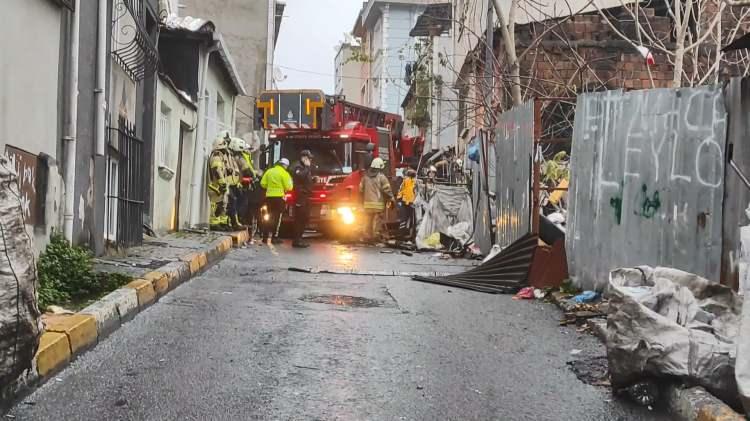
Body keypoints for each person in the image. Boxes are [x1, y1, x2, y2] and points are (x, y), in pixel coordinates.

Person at [360, 157, 394, 242]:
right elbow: (387, 190)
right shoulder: (382, 177)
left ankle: (367, 237)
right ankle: (376, 236)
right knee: (378, 221)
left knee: (367, 221)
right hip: (378, 205)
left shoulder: (365, 177)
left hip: (367, 205)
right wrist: (392, 198)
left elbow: (360, 190)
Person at [260, 158, 293, 244]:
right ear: (285, 165)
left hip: (269, 197)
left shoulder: (269, 171)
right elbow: (289, 187)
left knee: (268, 217)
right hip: (279, 198)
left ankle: (265, 237)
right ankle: (274, 237)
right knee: (277, 218)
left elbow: (262, 184)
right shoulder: (285, 173)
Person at [207, 132, 232, 230]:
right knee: (216, 205)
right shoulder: (217, 156)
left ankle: (221, 223)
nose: (226, 150)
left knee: (222, 205)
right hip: (215, 186)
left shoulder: (220, 156)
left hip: (219, 186)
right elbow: (217, 170)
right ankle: (214, 224)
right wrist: (222, 183)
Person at [291, 150, 314, 248]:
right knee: (299, 218)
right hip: (300, 196)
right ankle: (297, 240)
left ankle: (299, 238)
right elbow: (299, 176)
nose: (310, 160)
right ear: (304, 158)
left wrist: (313, 180)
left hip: (305, 196)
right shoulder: (297, 166)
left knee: (304, 218)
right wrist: (308, 168)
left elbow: (305, 179)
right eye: (309, 158)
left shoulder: (304, 167)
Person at [228, 138, 253, 229]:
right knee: (239, 202)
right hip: (236, 183)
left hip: (232, 182)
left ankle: (234, 221)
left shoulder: (229, 155)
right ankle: (236, 221)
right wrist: (252, 176)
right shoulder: (239, 157)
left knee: (233, 202)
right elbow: (246, 169)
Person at [397, 168, 418, 239]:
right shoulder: (412, 181)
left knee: (404, 219)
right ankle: (411, 235)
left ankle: (402, 234)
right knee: (412, 219)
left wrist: (399, 200)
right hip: (410, 203)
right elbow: (411, 193)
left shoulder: (405, 181)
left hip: (405, 202)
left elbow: (401, 191)